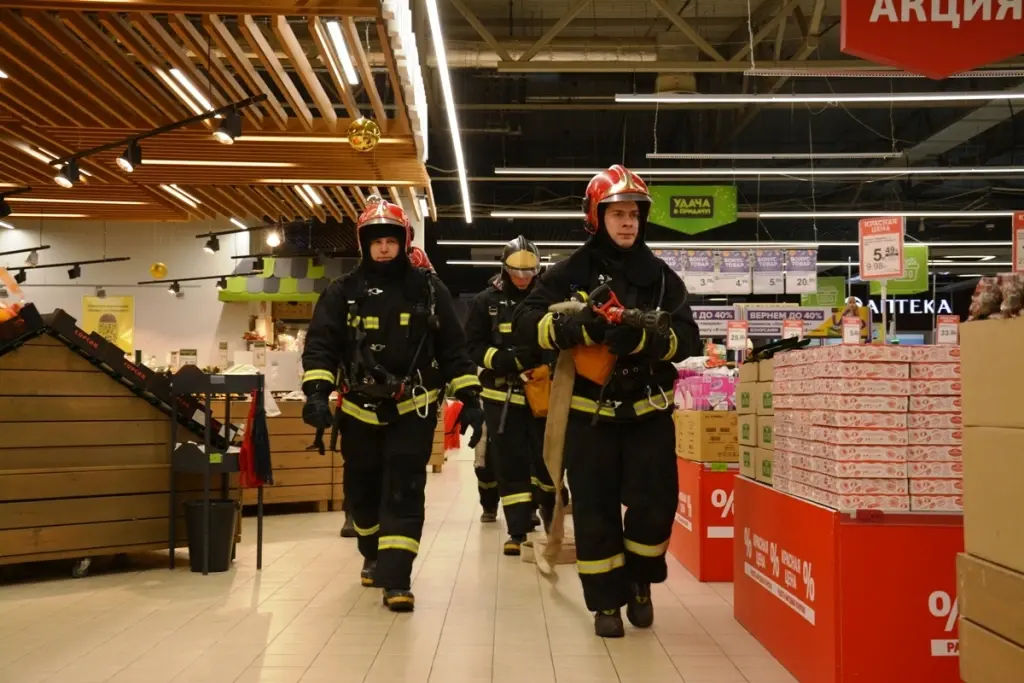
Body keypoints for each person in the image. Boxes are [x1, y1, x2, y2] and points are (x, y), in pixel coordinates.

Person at [513, 165, 700, 638]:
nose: (627, 223)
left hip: (649, 413)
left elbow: (689, 337)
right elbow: (525, 324)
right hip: (587, 417)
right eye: (617, 213)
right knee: (594, 512)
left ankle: (640, 582)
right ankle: (605, 603)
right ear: (596, 217)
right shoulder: (569, 272)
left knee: (654, 508)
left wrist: (643, 341)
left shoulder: (660, 278)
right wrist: (579, 329)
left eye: (634, 214)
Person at [301, 196, 485, 612]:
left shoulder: (430, 291)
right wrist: (316, 392)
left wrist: (471, 397)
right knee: (362, 494)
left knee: (404, 490)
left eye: (391, 240)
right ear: (363, 243)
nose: (384, 248)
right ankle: (372, 550)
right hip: (359, 411)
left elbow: (455, 350)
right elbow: (321, 347)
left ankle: (397, 577)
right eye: (376, 240)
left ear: (404, 241)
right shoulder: (342, 292)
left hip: (412, 411)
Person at [464, 236, 558, 555]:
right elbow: (472, 346)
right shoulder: (485, 301)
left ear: (538, 269)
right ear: (504, 270)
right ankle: (517, 531)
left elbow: (565, 341)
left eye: (529, 272)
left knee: (547, 465)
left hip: (543, 397)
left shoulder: (550, 300)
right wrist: (501, 360)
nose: (522, 278)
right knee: (510, 464)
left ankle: (552, 528)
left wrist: (546, 365)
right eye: (516, 273)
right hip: (500, 398)